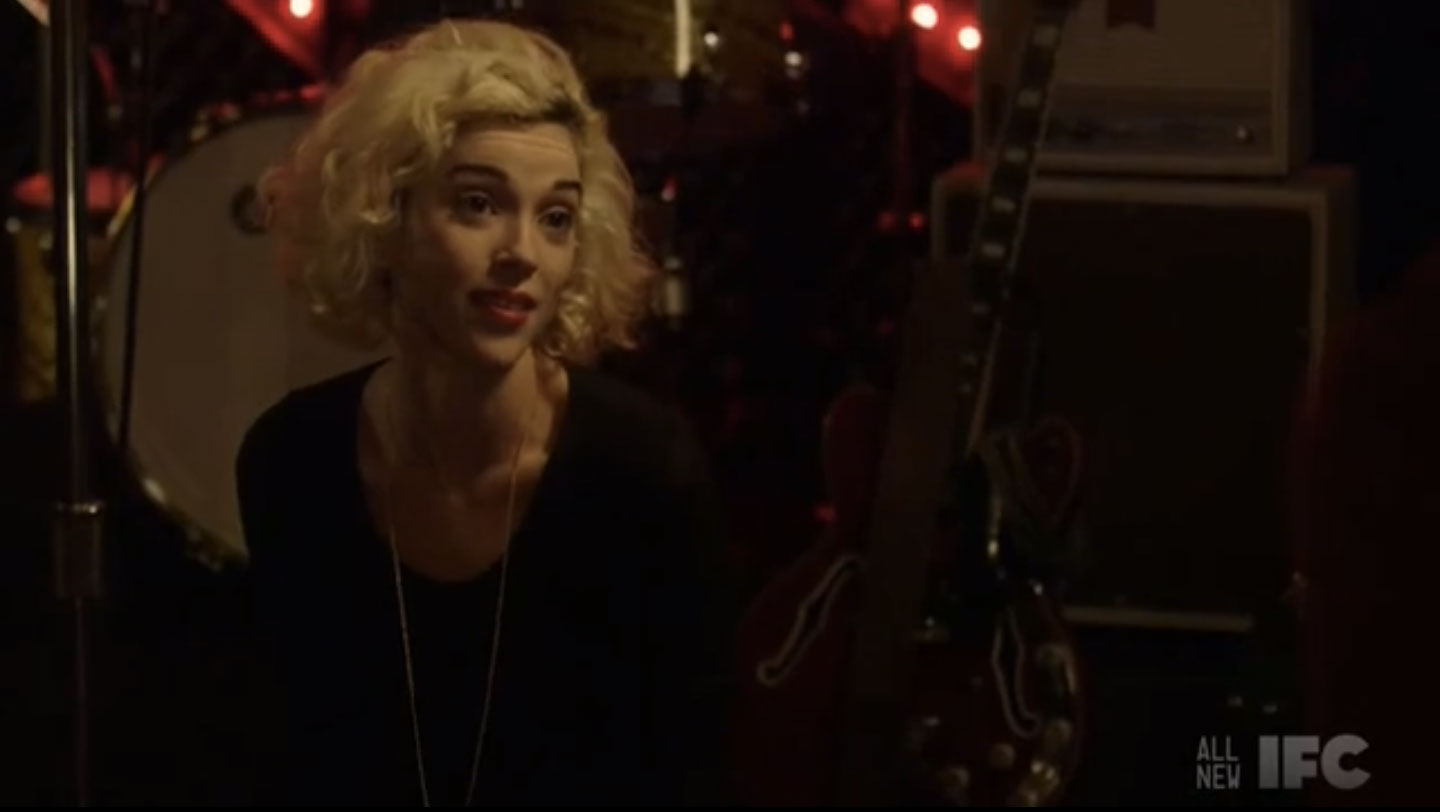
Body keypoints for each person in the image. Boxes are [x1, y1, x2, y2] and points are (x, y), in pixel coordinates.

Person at [235, 19, 735, 806]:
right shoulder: (293, 459)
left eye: (556, 218)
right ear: (386, 217)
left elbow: (690, 772)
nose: (523, 253)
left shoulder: (643, 472)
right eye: (478, 203)